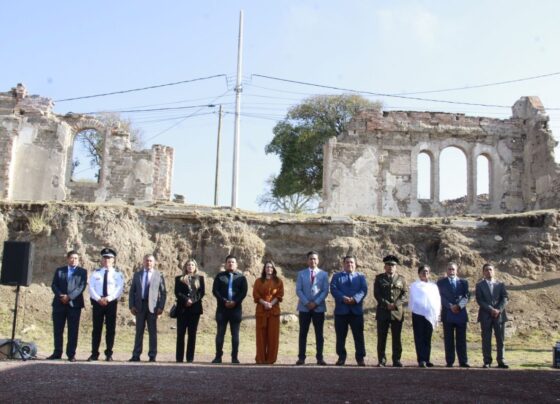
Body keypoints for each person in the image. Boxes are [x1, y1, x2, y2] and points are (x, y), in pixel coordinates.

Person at [47, 250, 87, 362]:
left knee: (73, 330)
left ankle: (71, 354)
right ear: (68, 259)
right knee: (58, 330)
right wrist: (61, 295)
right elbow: (54, 285)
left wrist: (69, 297)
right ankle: (57, 352)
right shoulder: (60, 271)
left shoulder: (82, 272)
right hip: (59, 304)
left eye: (76, 258)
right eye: (72, 258)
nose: (74, 260)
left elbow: (81, 287)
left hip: (74, 305)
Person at [330, 255, 368, 366]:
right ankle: (341, 357)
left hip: (356, 311)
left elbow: (364, 290)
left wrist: (355, 299)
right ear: (343, 264)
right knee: (340, 336)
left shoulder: (361, 277)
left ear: (355, 264)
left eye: (351, 262)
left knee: (359, 336)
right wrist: (343, 298)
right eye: (347, 262)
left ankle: (360, 358)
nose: (349, 264)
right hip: (341, 311)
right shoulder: (336, 276)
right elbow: (333, 289)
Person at [88, 247, 124, 362]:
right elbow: (91, 288)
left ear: (113, 260)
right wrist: (99, 299)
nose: (106, 260)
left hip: (111, 303)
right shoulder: (96, 273)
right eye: (104, 258)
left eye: (109, 258)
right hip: (97, 303)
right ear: (101, 259)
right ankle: (94, 353)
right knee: (96, 329)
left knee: (110, 329)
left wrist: (107, 299)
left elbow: (119, 289)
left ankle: (109, 353)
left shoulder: (117, 274)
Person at [129, 254, 167, 362]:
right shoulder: (137, 274)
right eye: (146, 260)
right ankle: (136, 355)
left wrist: (161, 307)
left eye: (150, 261)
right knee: (139, 331)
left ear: (154, 263)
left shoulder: (159, 275)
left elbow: (163, 293)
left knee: (152, 332)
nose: (148, 262)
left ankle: (152, 355)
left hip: (153, 307)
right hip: (139, 306)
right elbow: (132, 291)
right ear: (143, 261)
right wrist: (131, 305)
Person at [212, 254, 248, 364]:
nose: (230, 264)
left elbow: (243, 292)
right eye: (229, 262)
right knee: (220, 334)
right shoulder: (219, 276)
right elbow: (215, 291)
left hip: (236, 309)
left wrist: (235, 302)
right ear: (225, 264)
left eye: (233, 262)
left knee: (235, 334)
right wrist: (224, 301)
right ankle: (218, 357)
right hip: (222, 309)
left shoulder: (241, 278)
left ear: (236, 264)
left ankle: (234, 357)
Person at [295, 250, 329, 366]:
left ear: (318, 260)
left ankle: (320, 358)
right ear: (307, 260)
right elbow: (298, 290)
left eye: (314, 259)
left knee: (319, 334)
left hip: (318, 308)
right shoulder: (301, 274)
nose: (312, 261)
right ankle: (301, 358)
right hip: (304, 308)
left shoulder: (324, 274)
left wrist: (315, 303)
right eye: (310, 259)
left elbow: (325, 291)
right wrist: (306, 302)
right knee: (303, 334)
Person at [374, 255, 407, 367]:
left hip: (397, 313)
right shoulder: (379, 278)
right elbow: (377, 294)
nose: (390, 267)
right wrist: (386, 304)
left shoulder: (401, 279)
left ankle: (396, 360)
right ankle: (381, 360)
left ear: (396, 267)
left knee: (397, 338)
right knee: (381, 338)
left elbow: (404, 294)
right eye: (388, 264)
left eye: (393, 265)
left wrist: (395, 304)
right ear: (384, 266)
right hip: (383, 312)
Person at [476, 263, 509, 369]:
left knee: (500, 339)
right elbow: (479, 300)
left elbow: (505, 298)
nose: (488, 271)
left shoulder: (500, 284)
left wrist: (498, 309)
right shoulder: (479, 285)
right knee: (486, 339)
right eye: (486, 270)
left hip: (499, 315)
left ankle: (501, 360)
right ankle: (487, 361)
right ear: (483, 272)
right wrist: (491, 309)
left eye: (490, 269)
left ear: (494, 271)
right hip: (486, 315)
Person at [437, 262, 470, 368]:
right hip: (447, 313)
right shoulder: (441, 282)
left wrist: (459, 306)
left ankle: (463, 361)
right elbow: (440, 296)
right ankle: (450, 361)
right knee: (448, 339)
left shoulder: (464, 282)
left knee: (461, 339)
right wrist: (450, 306)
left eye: (453, 269)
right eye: (449, 269)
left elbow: (467, 296)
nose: (451, 271)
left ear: (457, 271)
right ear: (446, 270)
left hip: (461, 313)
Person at [409, 264, 441, 367]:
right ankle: (421, 359)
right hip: (418, 314)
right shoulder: (415, 285)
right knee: (419, 337)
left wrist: (437, 313)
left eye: (427, 271)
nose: (425, 273)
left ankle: (427, 359)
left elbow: (437, 300)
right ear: (419, 273)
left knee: (428, 337)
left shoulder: (433, 286)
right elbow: (413, 299)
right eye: (423, 271)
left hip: (430, 314)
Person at [253, 260, 284, 364]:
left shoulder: (278, 281)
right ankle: (261, 358)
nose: (269, 269)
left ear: (274, 269)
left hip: (274, 311)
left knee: (273, 336)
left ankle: (271, 359)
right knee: (261, 336)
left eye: (271, 267)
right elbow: (256, 295)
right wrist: (264, 303)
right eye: (267, 267)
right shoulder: (258, 281)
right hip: (261, 311)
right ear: (264, 269)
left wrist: (271, 304)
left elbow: (279, 295)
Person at [175, 259, 205, 363]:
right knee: (180, 334)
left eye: (192, 265)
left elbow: (201, 292)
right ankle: (179, 358)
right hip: (182, 309)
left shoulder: (200, 278)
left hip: (194, 309)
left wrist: (192, 300)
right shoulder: (179, 278)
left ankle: (190, 358)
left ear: (195, 267)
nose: (190, 266)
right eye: (188, 265)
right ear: (185, 267)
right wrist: (186, 300)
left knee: (192, 334)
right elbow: (177, 292)